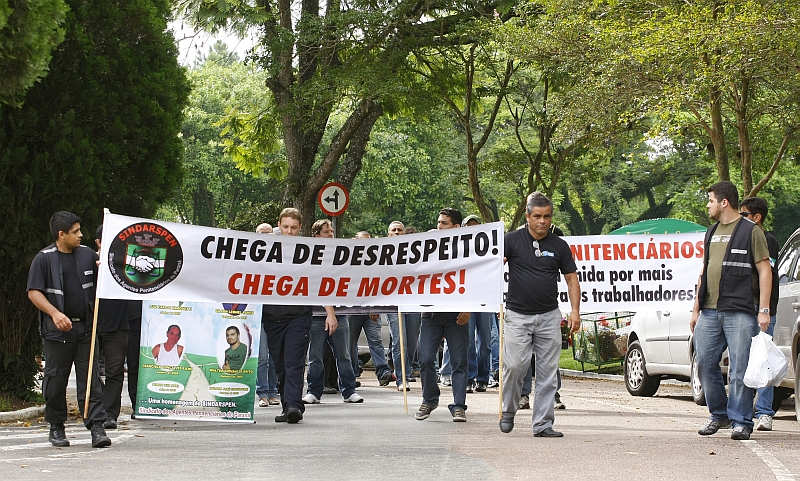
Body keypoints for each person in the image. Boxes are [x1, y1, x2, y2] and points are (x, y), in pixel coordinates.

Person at [691, 181, 772, 441]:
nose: (708, 205)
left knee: (739, 368)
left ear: (724, 202)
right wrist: (695, 309)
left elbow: (764, 270)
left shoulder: (751, 231)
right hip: (710, 311)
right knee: (703, 362)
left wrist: (764, 309)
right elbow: (704, 271)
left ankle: (741, 421)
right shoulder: (711, 232)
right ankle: (719, 414)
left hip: (741, 310)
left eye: (711, 199)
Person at [27, 211, 111, 448]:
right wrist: (54, 314)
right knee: (55, 381)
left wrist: (104, 267)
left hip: (86, 330)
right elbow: (34, 291)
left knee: (91, 380)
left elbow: (104, 281)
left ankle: (97, 427)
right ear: (61, 234)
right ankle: (56, 427)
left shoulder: (87, 255)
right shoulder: (44, 259)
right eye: (75, 231)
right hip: (57, 333)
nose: (81, 235)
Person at [500, 193, 581, 437]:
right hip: (517, 316)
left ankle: (543, 424)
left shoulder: (559, 245)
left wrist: (575, 311)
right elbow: (491, 268)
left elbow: (571, 279)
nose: (542, 221)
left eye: (547, 216)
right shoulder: (511, 240)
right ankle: (508, 409)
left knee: (548, 373)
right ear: (528, 216)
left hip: (549, 317)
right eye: (537, 216)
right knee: (515, 366)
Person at [263, 208, 338, 424]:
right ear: (278, 226)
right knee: (279, 364)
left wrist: (330, 312)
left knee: (293, 362)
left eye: (293, 228)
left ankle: (294, 405)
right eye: (285, 227)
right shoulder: (267, 249)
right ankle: (288, 405)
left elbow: (321, 282)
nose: (289, 231)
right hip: (271, 316)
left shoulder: (308, 251)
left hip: (298, 315)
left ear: (300, 228)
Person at [415, 208, 471, 422]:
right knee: (426, 358)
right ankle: (430, 399)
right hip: (431, 313)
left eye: (444, 223)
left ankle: (458, 406)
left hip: (457, 314)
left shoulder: (468, 250)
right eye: (438, 222)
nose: (439, 227)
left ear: (456, 227)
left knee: (459, 362)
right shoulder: (428, 246)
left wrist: (469, 308)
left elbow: (475, 278)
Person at [303, 219, 364, 404]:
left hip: (341, 311)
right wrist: (330, 313)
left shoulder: (340, 255)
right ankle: (314, 391)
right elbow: (317, 285)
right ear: (316, 235)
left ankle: (349, 390)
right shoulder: (310, 257)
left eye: (331, 231)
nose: (330, 234)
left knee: (344, 354)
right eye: (326, 232)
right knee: (315, 356)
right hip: (316, 314)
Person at [739, 197, 780, 432]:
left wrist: (765, 310)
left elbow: (767, 274)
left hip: (764, 310)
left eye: (744, 214)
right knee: (743, 360)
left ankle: (764, 412)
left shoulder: (767, 240)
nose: (740, 218)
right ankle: (744, 410)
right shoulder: (740, 237)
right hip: (743, 308)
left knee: (763, 360)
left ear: (757, 217)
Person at [94, 225, 129, 430]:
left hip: (118, 323)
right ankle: (93, 408)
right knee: (89, 371)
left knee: (115, 371)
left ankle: (110, 414)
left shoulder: (125, 262)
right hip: (92, 323)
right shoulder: (87, 259)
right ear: (98, 242)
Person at [383, 221, 421, 391]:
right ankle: (401, 378)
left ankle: (407, 369)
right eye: (394, 230)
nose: (397, 232)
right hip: (393, 304)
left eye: (400, 230)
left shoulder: (414, 252)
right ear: (388, 233)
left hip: (413, 302)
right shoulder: (382, 253)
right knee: (399, 340)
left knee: (412, 342)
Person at [461, 215, 494, 393]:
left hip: (485, 300)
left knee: (485, 343)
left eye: (476, 227)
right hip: (467, 300)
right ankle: (469, 378)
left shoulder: (489, 250)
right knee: (468, 343)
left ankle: (483, 377)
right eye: (470, 227)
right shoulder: (459, 250)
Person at [255, 224, 280, 407]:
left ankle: (273, 391)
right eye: (262, 234)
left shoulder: (279, 258)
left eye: (268, 234)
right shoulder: (251, 259)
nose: (265, 236)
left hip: (276, 316)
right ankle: (262, 392)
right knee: (262, 356)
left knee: (274, 357)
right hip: (258, 316)